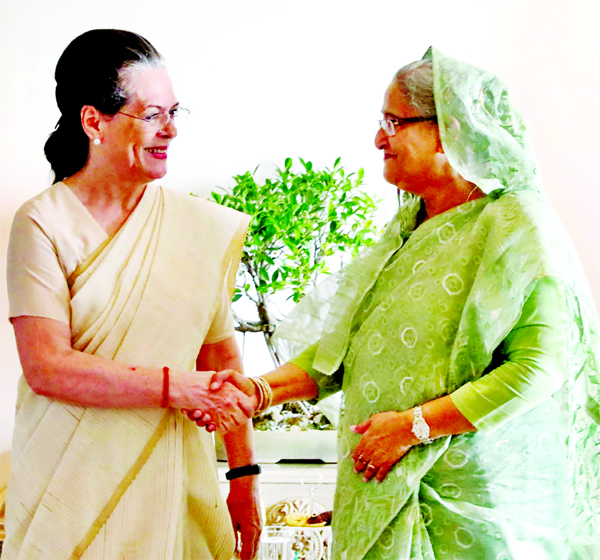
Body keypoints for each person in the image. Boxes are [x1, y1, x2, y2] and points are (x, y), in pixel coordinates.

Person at [202, 47, 600, 559]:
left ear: (450, 128)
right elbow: (348, 347)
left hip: (461, 506)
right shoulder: (410, 223)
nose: (377, 139)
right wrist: (256, 392)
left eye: (394, 122)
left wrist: (413, 428)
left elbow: (540, 368)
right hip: (383, 480)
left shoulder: (516, 226)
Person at [3, 29, 261, 560]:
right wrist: (177, 388)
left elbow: (219, 354)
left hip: (174, 478)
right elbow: (47, 366)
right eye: (151, 115)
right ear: (93, 121)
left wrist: (244, 476)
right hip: (69, 480)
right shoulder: (42, 222)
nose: (169, 130)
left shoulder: (196, 226)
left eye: (175, 113)